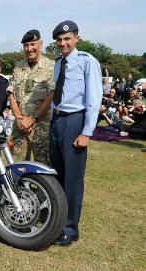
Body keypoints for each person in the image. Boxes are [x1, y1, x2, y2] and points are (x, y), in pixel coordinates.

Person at [49, 21, 102, 246]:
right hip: (57, 121)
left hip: (75, 121)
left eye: (67, 38)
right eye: (59, 40)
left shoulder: (87, 61)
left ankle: (70, 228)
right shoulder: (58, 63)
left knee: (72, 178)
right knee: (57, 175)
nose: (63, 43)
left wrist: (87, 131)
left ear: (76, 38)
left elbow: (94, 98)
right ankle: (56, 221)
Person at [7, 29, 55, 165]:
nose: (29, 49)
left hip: (42, 127)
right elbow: (11, 94)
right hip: (20, 127)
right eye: (26, 45)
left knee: (45, 169)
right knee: (17, 167)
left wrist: (32, 119)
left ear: (41, 44)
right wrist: (19, 119)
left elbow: (52, 95)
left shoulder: (52, 66)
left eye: (33, 44)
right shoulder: (18, 67)